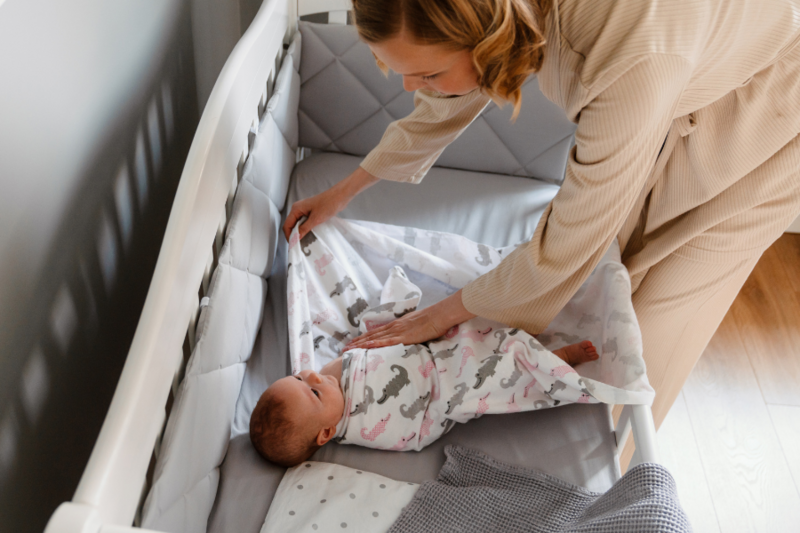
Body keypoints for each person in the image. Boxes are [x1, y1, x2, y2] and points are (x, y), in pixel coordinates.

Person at [282, 0, 800, 464]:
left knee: (654, 320)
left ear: (487, 41)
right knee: (611, 273)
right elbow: (448, 97)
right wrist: (344, 190)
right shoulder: (497, 19)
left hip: (771, 112)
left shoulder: (626, 56)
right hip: (681, 79)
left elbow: (565, 244)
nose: (411, 87)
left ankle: (614, 490)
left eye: (428, 73)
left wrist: (440, 316)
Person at [250, 324, 598, 467]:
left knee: (477, 330)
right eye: (311, 390)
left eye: (297, 375)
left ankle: (521, 334)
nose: (312, 374)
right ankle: (558, 363)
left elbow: (366, 352)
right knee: (495, 381)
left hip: (428, 355)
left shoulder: (332, 380)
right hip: (442, 390)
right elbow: (414, 432)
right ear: (325, 433)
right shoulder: (362, 427)